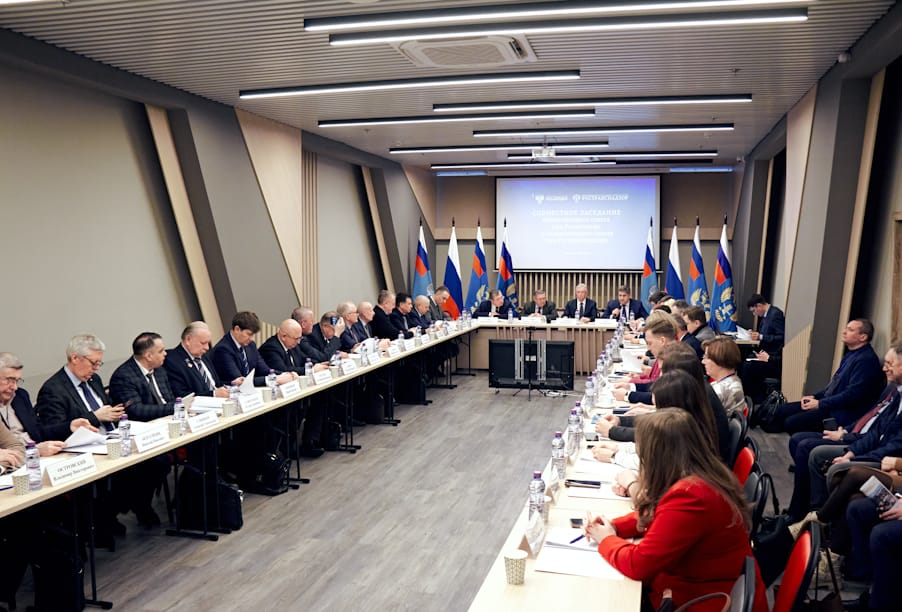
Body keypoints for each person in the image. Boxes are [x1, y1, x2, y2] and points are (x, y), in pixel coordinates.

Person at [584, 409, 768, 612]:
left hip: (700, 600)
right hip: (705, 588)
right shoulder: (702, 474)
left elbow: (639, 564)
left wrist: (607, 538)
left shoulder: (691, 496)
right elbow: (660, 515)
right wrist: (615, 526)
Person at [784, 343, 902, 520]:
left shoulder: (867, 363)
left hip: (885, 459)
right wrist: (851, 451)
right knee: (806, 445)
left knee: (827, 462)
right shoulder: (894, 390)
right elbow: (875, 429)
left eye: (889, 364)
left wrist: (851, 453)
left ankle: (817, 518)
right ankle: (809, 513)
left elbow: (892, 445)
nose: (884, 368)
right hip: (865, 442)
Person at [767, 319, 885, 434]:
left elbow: (852, 395)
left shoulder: (866, 360)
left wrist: (820, 404)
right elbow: (834, 385)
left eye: (850, 330)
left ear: (863, 337)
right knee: (781, 411)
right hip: (829, 404)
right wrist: (815, 396)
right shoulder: (851, 354)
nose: (844, 332)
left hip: (839, 413)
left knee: (791, 423)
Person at [592, 370, 719, 472]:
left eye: (657, 406)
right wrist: (618, 448)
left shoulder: (681, 429)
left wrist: (614, 456)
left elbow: (654, 464)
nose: (654, 410)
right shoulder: (692, 418)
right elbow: (653, 448)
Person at [0, 352, 94, 456]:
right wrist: (34, 451)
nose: (14, 387)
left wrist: (69, 427)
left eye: (17, 381)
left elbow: (38, 431)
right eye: (9, 380)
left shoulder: (20, 396)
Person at [35, 334, 124, 438]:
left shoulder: (94, 379)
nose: (96, 368)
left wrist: (115, 413)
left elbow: (107, 410)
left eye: (99, 363)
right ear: (75, 358)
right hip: (87, 444)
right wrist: (95, 417)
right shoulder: (52, 390)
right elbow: (54, 431)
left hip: (115, 437)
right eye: (93, 363)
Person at [212, 311, 297, 387]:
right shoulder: (223, 350)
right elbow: (240, 381)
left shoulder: (251, 345)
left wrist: (285, 375)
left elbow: (264, 370)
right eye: (249, 334)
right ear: (237, 329)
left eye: (253, 335)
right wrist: (273, 379)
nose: (251, 339)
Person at [109, 332, 177, 421]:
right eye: (161, 351)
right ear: (148, 356)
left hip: (169, 418)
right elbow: (136, 411)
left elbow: (170, 398)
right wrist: (174, 408)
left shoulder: (159, 370)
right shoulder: (123, 377)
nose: (165, 353)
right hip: (146, 424)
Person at [163, 321, 231, 398]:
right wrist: (213, 394)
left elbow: (216, 384)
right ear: (188, 339)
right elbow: (182, 395)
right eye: (203, 343)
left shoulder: (203, 356)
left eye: (208, 343)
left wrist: (231, 384)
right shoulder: (172, 360)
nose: (207, 348)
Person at [702, 337, 746, 417]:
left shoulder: (722, 391)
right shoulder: (733, 380)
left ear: (720, 360)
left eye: (706, 357)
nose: (703, 361)